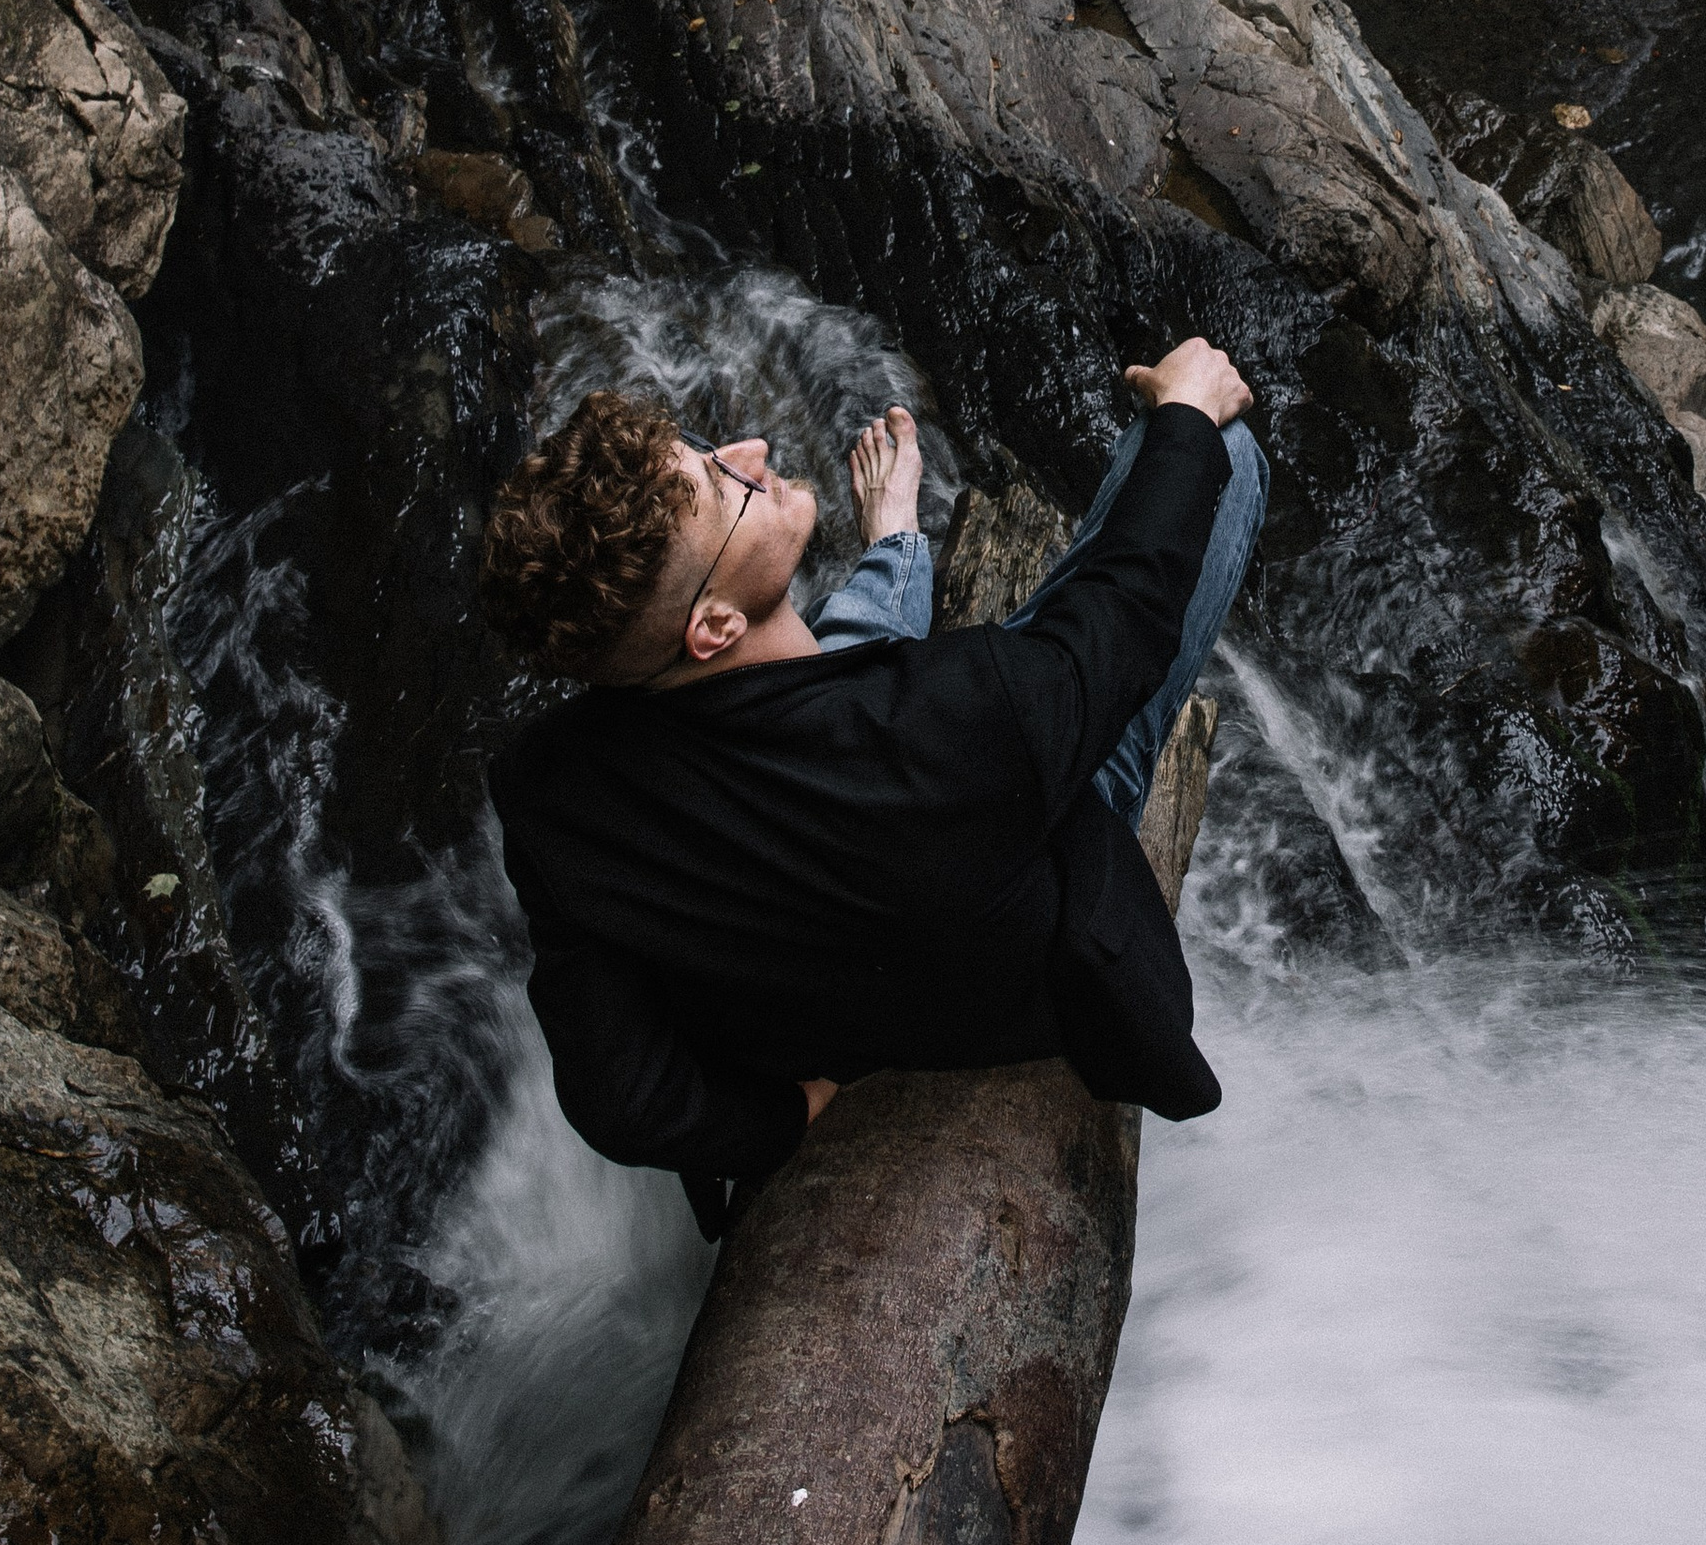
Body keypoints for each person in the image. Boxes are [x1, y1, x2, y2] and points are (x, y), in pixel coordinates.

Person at [479, 337, 1264, 1228]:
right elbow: (1119, 621)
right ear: (712, 626)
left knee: (830, 655)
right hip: (1012, 918)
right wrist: (1188, 416)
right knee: (1219, 458)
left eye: (704, 450)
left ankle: (893, 548)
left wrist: (784, 1117)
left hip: (834, 897)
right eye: (725, 485)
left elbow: (622, 1099)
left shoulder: (547, 790)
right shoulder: (947, 729)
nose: (750, 454)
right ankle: (897, 558)